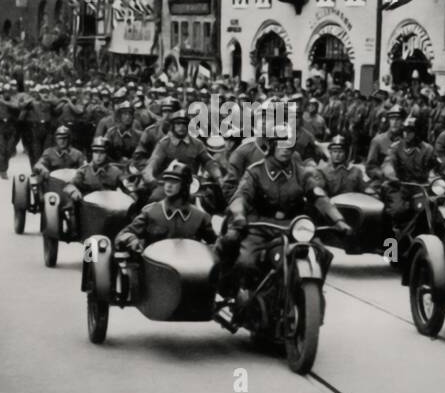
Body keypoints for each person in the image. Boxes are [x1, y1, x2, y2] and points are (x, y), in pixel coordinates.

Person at [218, 124, 352, 298]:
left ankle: (311, 297)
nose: (286, 149)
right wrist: (239, 216)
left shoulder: (300, 172)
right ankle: (246, 297)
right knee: (247, 262)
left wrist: (339, 220)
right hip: (259, 227)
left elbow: (319, 197)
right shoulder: (255, 171)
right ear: (271, 146)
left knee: (322, 254)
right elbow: (240, 197)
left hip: (292, 228)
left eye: (289, 145)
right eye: (280, 144)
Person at [115, 160, 218, 253]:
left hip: (188, 270)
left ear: (185, 185)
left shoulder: (200, 217)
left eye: (174, 181)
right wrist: (132, 240)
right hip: (156, 269)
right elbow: (123, 235)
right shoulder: (151, 212)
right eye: (167, 180)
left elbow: (215, 245)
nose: (168, 185)